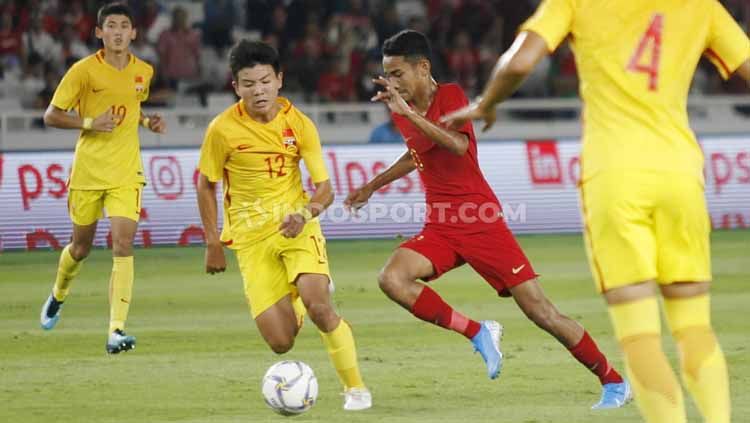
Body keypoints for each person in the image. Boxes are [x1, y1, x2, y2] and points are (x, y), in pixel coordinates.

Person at [441, 1, 750, 422]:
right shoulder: (701, 6)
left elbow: (519, 62)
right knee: (694, 327)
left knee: (640, 335)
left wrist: (486, 102)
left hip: (615, 176)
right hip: (680, 172)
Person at [345, 29, 629, 409]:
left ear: (422, 67)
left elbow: (459, 145)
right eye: (387, 75)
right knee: (392, 279)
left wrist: (409, 114)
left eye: (397, 74)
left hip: (481, 221)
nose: (391, 83)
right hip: (442, 225)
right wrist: (372, 185)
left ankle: (613, 381)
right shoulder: (403, 109)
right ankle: (478, 332)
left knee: (540, 312)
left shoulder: (450, 97)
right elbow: (419, 153)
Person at [195, 40, 372, 411]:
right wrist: (212, 240)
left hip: (297, 226)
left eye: (264, 81)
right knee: (281, 342)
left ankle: (355, 389)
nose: (258, 91)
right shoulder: (221, 130)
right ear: (235, 87)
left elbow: (325, 188)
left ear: (279, 79)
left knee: (321, 307)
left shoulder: (299, 124)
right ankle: (301, 294)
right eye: (248, 83)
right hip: (249, 239)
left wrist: (305, 215)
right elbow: (205, 184)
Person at [39, 2, 166, 354]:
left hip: (126, 171)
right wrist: (90, 123)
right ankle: (58, 294)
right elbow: (51, 115)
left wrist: (147, 121)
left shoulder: (144, 71)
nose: (118, 31)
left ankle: (116, 330)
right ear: (99, 33)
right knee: (79, 248)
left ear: (134, 33)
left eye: (125, 25)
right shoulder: (83, 71)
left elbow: (133, 106)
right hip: (89, 171)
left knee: (122, 245)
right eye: (111, 25)